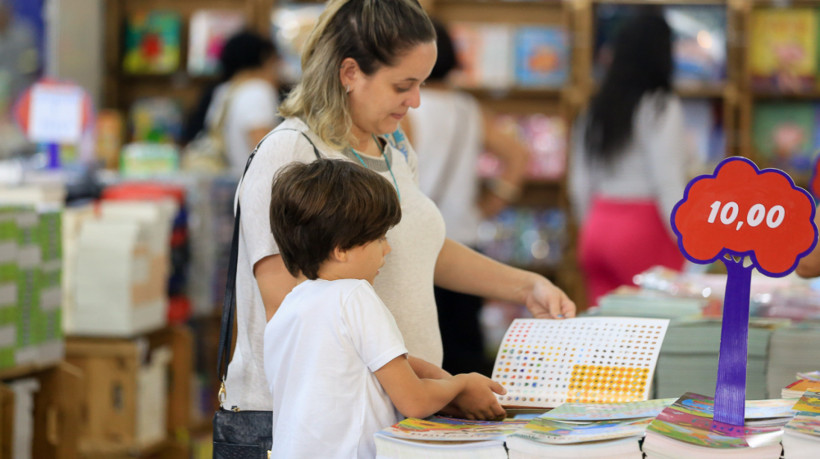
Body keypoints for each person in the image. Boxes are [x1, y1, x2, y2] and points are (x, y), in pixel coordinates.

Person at [226, 0, 575, 418]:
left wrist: (524, 286)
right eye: (402, 85)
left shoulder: (392, 146)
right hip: (316, 424)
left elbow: (419, 246)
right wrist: (434, 386)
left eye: (422, 84)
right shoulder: (290, 153)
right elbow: (293, 316)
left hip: (394, 413)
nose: (416, 101)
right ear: (350, 73)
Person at [265, 159, 506, 457]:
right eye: (379, 238)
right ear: (341, 249)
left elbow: (400, 362)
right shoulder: (354, 296)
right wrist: (461, 383)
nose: (387, 249)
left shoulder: (289, 307)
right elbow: (414, 401)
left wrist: (449, 383)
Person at [402, 19, 530, 376]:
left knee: (418, 354)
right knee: (464, 349)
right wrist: (490, 205)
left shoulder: (403, 105)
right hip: (464, 235)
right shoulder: (468, 108)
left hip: (415, 242)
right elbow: (518, 155)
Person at [569, 11, 689, 307]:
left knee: (605, 341)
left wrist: (592, 225)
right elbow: (669, 181)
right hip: (645, 230)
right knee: (659, 337)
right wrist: (690, 243)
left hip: (597, 225)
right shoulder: (660, 105)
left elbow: (578, 182)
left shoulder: (596, 107)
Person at [184, 30, 280, 176]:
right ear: (264, 59)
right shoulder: (257, 91)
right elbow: (267, 156)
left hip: (230, 183)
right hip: (255, 185)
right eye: (275, 61)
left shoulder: (223, 91)